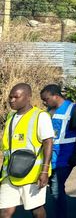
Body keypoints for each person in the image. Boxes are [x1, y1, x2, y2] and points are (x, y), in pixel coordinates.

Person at [0, 83, 54, 218]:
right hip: (10, 174)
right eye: (10, 97)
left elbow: (48, 142)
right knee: (5, 211)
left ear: (28, 97)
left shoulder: (40, 116)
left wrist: (44, 171)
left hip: (32, 174)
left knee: (36, 210)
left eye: (16, 97)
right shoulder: (10, 117)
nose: (12, 100)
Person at [40, 84, 76, 218]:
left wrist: (75, 153)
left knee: (56, 188)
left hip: (65, 156)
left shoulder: (73, 109)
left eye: (46, 99)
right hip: (50, 156)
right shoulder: (49, 110)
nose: (44, 102)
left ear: (55, 96)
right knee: (54, 187)